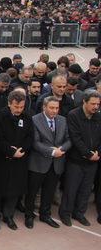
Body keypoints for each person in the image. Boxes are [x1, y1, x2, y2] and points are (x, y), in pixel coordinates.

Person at [0, 90, 33, 230]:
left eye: (21, 107)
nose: (19, 110)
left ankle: (8, 216)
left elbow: (30, 137)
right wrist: (10, 151)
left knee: (14, 190)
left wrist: (20, 151)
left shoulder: (27, 117)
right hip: (1, 159)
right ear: (9, 103)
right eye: (16, 107)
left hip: (20, 160)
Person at [25, 96, 71, 229]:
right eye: (51, 108)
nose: (54, 111)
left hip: (57, 163)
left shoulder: (63, 120)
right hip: (38, 163)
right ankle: (29, 215)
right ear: (44, 107)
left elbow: (69, 139)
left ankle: (45, 215)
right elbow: (35, 142)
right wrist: (52, 152)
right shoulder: (34, 120)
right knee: (32, 191)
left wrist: (61, 149)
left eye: (57, 108)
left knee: (49, 191)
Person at [58, 90, 101, 227]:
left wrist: (97, 154)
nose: (96, 107)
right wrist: (88, 154)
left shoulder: (98, 117)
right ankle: (65, 213)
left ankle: (79, 213)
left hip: (93, 161)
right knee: (71, 188)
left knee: (86, 189)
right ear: (84, 102)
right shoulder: (73, 115)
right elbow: (75, 138)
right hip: (76, 160)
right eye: (93, 104)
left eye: (98, 104)